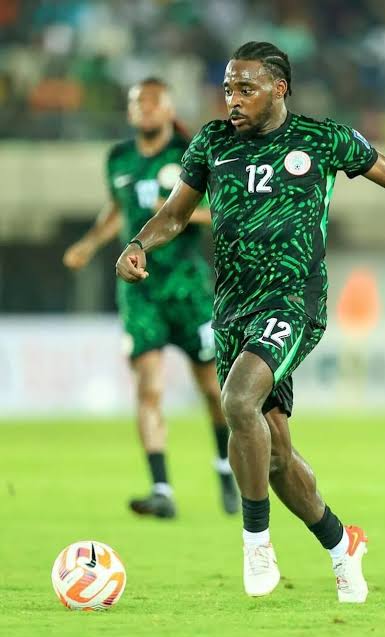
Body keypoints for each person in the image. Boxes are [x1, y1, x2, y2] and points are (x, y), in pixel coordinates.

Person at [115, 43, 385, 601]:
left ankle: (256, 542)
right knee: (276, 454)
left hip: (293, 302)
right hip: (232, 307)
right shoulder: (212, 142)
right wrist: (140, 243)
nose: (233, 100)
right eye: (228, 89)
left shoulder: (321, 138)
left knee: (238, 400)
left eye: (246, 89)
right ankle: (340, 544)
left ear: (279, 88)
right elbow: (175, 214)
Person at [63, 77, 239, 519]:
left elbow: (225, 208)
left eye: (153, 101)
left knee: (212, 389)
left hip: (188, 289)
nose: (144, 107)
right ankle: (161, 489)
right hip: (140, 294)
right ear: (129, 111)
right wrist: (90, 243)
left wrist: (179, 213)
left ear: (168, 109)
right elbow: (117, 209)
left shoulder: (191, 153)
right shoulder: (118, 158)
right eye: (137, 102)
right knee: (149, 387)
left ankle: (224, 466)